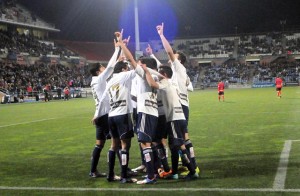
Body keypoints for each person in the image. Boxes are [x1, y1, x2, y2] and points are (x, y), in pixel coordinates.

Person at [141, 64, 199, 180]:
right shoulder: (173, 83)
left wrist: (146, 71)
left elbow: (152, 84)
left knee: (180, 146)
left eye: (159, 73)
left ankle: (192, 171)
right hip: (180, 117)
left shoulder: (165, 83)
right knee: (174, 147)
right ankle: (175, 173)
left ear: (165, 75)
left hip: (174, 119)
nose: (158, 75)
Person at [156, 22, 200, 176]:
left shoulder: (178, 67)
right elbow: (163, 69)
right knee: (181, 138)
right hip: (181, 106)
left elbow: (169, 52)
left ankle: (190, 167)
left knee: (177, 141)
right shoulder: (177, 72)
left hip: (178, 108)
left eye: (175, 55)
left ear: (179, 60)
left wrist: (162, 35)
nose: (172, 55)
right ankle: (184, 167)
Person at [103, 34, 138, 184]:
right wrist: (123, 46)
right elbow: (133, 63)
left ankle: (111, 174)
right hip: (123, 115)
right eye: (126, 68)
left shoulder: (110, 80)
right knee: (125, 145)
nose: (128, 69)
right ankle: (124, 175)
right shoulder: (124, 76)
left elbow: (105, 99)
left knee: (113, 145)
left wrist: (120, 47)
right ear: (123, 69)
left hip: (112, 115)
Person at [88, 37, 121, 179]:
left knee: (99, 144)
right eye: (101, 67)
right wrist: (117, 49)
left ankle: (93, 171)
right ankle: (119, 171)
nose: (104, 69)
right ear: (97, 71)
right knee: (116, 143)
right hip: (105, 115)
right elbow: (110, 67)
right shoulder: (99, 79)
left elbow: (110, 68)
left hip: (99, 115)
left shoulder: (94, 82)